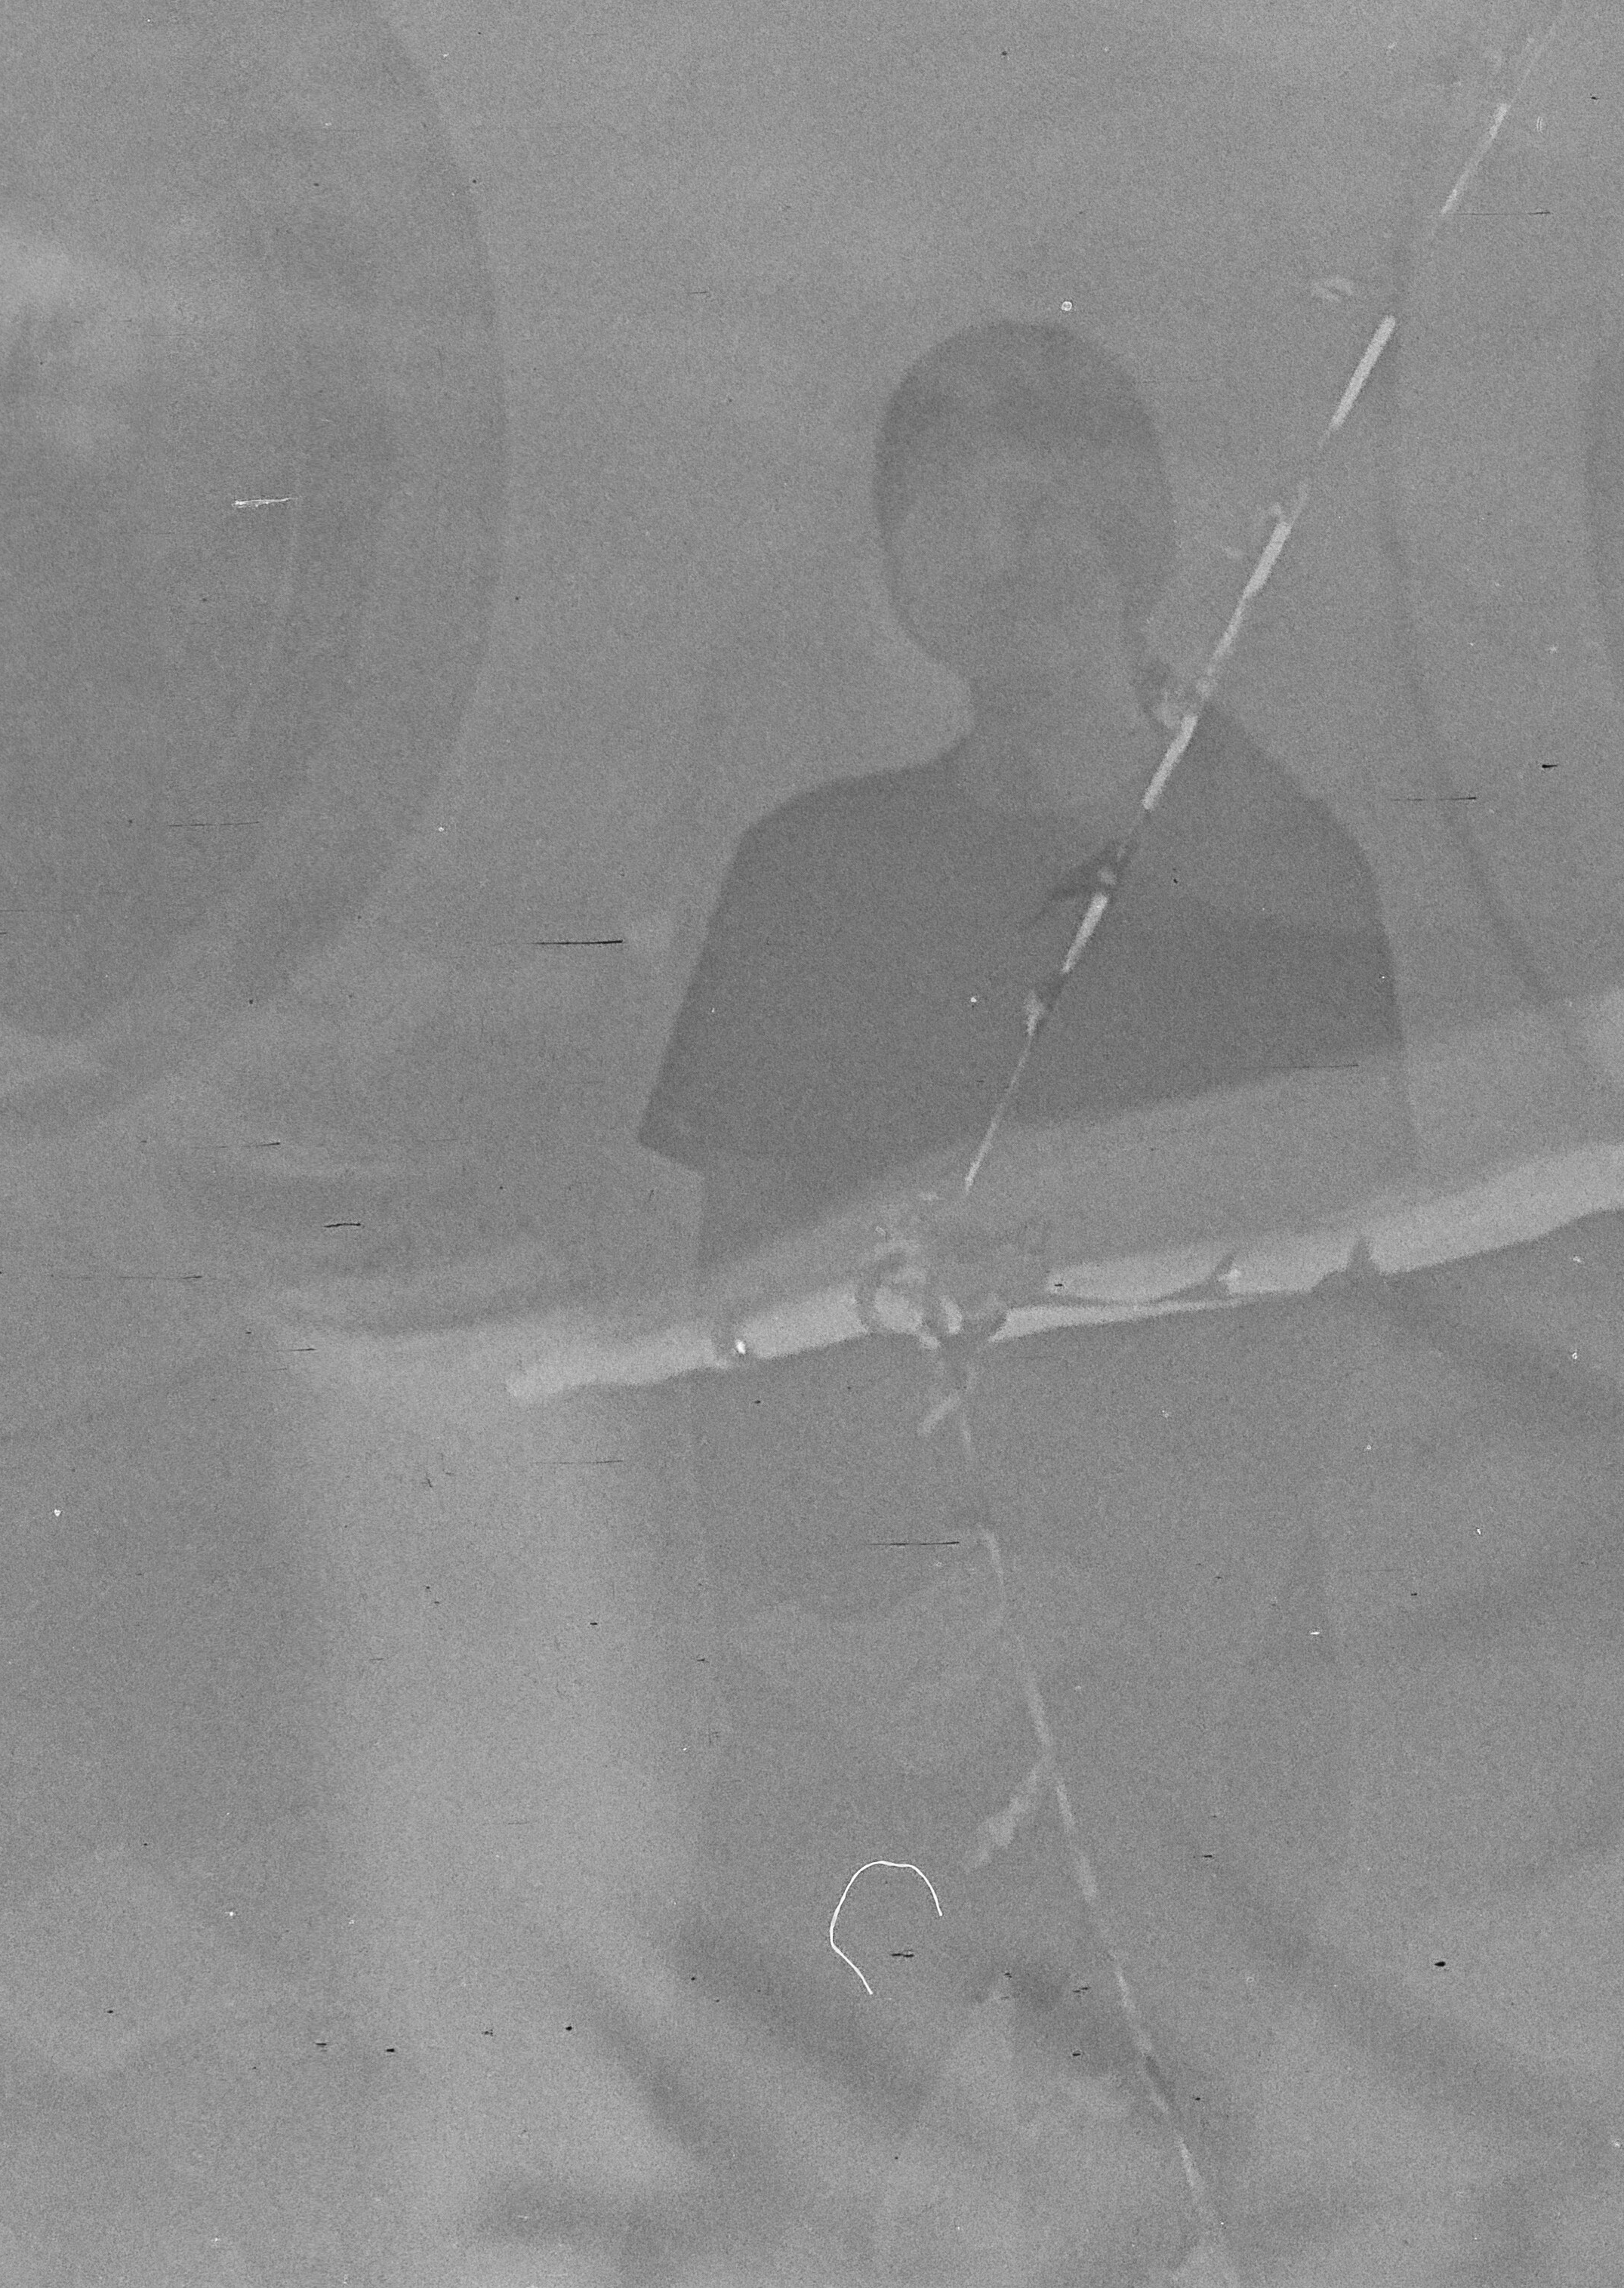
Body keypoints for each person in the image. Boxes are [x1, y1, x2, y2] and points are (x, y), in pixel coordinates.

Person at [629, 320, 1408, 2253]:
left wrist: (1112, 1628)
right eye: (951, 502)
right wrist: (811, 1630)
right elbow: (742, 1308)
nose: (1008, 536)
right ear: (895, 566)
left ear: (1147, 527)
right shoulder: (815, 871)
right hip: (864, 1678)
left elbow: (1323, 1298)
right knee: (753, 2203)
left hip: (1185, 1682)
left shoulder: (1277, 871)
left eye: (1054, 491)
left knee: (1125, 2221)